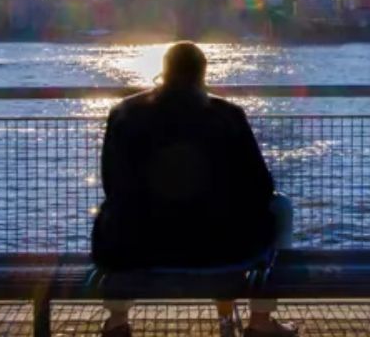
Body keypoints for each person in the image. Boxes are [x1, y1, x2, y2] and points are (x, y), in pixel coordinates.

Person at [92, 42, 297, 337]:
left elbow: (112, 183)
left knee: (116, 210)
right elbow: (262, 186)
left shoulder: (124, 113)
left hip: (139, 248)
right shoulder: (229, 114)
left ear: (163, 71)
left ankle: (116, 321)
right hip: (220, 249)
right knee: (282, 207)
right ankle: (261, 320)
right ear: (203, 74)